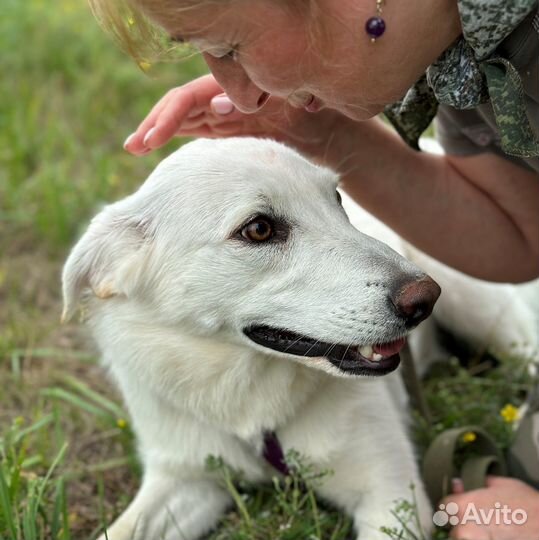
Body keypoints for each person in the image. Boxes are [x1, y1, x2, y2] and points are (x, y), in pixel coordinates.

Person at [90, 0, 539, 537]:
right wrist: (326, 135)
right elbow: (521, 233)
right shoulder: (458, 65)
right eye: (259, 231)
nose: (240, 95)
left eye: (230, 48)